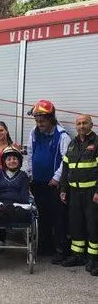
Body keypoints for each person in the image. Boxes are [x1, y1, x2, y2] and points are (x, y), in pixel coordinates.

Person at [27, 99, 71, 263]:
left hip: (54, 184)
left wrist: (56, 178)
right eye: (37, 121)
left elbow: (66, 160)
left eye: (42, 121)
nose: (39, 124)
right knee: (42, 216)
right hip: (38, 182)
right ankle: (45, 246)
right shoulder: (34, 133)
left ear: (51, 119)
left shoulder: (62, 136)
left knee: (58, 218)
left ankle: (61, 250)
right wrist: (30, 174)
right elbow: (30, 154)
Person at [60, 114, 98, 276]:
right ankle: (77, 255)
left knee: (93, 226)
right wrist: (63, 189)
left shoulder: (96, 143)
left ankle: (93, 258)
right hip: (74, 192)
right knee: (76, 224)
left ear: (91, 124)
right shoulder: (72, 144)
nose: (81, 126)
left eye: (85, 123)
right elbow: (66, 168)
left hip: (91, 194)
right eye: (79, 123)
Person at [0, 146, 31, 249]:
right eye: (9, 159)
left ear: (19, 161)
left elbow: (24, 196)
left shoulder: (23, 176)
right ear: (4, 162)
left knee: (21, 212)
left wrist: (26, 206)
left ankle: (2, 239)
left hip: (15, 205)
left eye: (14, 159)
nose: (12, 161)